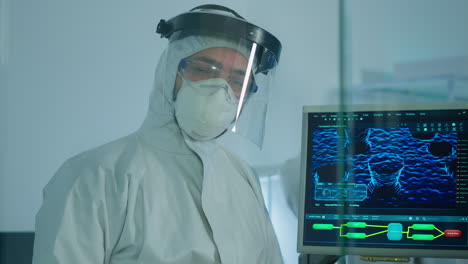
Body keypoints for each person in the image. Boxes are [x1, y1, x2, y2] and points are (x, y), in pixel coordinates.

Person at [32, 4, 283, 263]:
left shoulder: (242, 178)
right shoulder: (94, 177)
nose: (222, 90)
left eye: (238, 82)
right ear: (169, 72)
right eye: (206, 70)